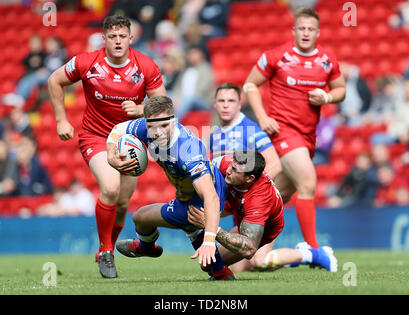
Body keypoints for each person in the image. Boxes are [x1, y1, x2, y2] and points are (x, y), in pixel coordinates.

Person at [47, 15, 166, 278]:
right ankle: (106, 251)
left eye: (122, 36)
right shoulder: (87, 62)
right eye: (112, 37)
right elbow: (55, 80)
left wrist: (141, 109)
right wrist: (61, 120)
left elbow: (164, 106)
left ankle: (107, 246)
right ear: (104, 39)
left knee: (123, 203)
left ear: (131, 38)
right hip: (96, 136)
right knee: (110, 189)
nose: (118, 41)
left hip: (131, 139)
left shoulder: (146, 66)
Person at [243, 8, 346, 249]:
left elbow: (341, 89)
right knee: (308, 181)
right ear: (294, 30)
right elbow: (250, 84)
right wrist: (262, 116)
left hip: (308, 136)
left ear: (318, 32)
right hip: (283, 132)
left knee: (278, 194)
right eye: (302, 28)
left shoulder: (327, 60)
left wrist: (327, 97)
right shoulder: (277, 55)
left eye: (311, 29)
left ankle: (249, 242)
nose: (306, 33)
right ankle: (314, 249)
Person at [106, 96, 233, 280]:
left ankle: (146, 247)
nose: (157, 133)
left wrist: (209, 240)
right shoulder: (147, 127)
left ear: (174, 121)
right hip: (191, 190)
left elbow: (210, 197)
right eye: (151, 126)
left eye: (164, 126)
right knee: (153, 219)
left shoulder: (187, 150)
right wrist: (111, 155)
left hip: (206, 196)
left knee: (141, 217)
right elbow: (118, 129)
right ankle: (221, 272)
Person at [187, 150, 338, 273]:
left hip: (264, 229)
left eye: (235, 170)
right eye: (231, 165)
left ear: (249, 178)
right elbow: (203, 170)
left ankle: (311, 254)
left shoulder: (259, 199)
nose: (228, 170)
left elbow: (249, 248)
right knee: (214, 266)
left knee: (260, 261)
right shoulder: (229, 164)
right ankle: (290, 261)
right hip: (242, 217)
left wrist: (212, 227)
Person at [209, 83, 281, 272]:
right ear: (214, 104)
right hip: (234, 205)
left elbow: (274, 164)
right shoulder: (215, 134)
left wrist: (248, 194)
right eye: (221, 101)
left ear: (239, 104)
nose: (225, 105)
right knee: (227, 265)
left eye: (231, 101)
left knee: (260, 261)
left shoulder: (250, 130)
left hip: (250, 206)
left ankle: (307, 255)